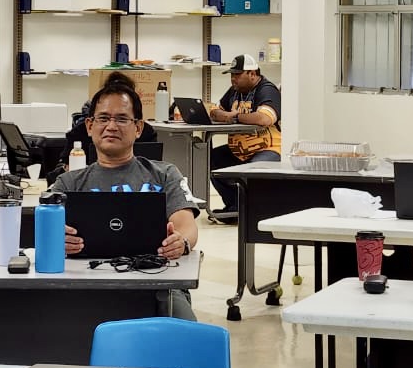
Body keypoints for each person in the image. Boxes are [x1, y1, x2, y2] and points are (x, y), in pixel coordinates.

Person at [50, 73, 200, 320]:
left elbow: (186, 225)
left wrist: (180, 242)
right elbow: (46, 233)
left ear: (138, 128)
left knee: (185, 332)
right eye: (103, 118)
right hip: (84, 286)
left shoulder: (164, 174)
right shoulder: (68, 183)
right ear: (89, 126)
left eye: (122, 119)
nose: (111, 126)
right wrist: (56, 239)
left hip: (155, 287)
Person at [208, 54, 281, 222]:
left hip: (268, 149)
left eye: (237, 75)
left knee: (251, 171)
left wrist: (234, 117)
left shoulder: (267, 89)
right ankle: (235, 208)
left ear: (252, 74)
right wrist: (225, 115)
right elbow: (214, 110)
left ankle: (253, 212)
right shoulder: (235, 91)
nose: (233, 79)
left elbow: (264, 118)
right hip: (239, 151)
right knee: (209, 160)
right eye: (232, 75)